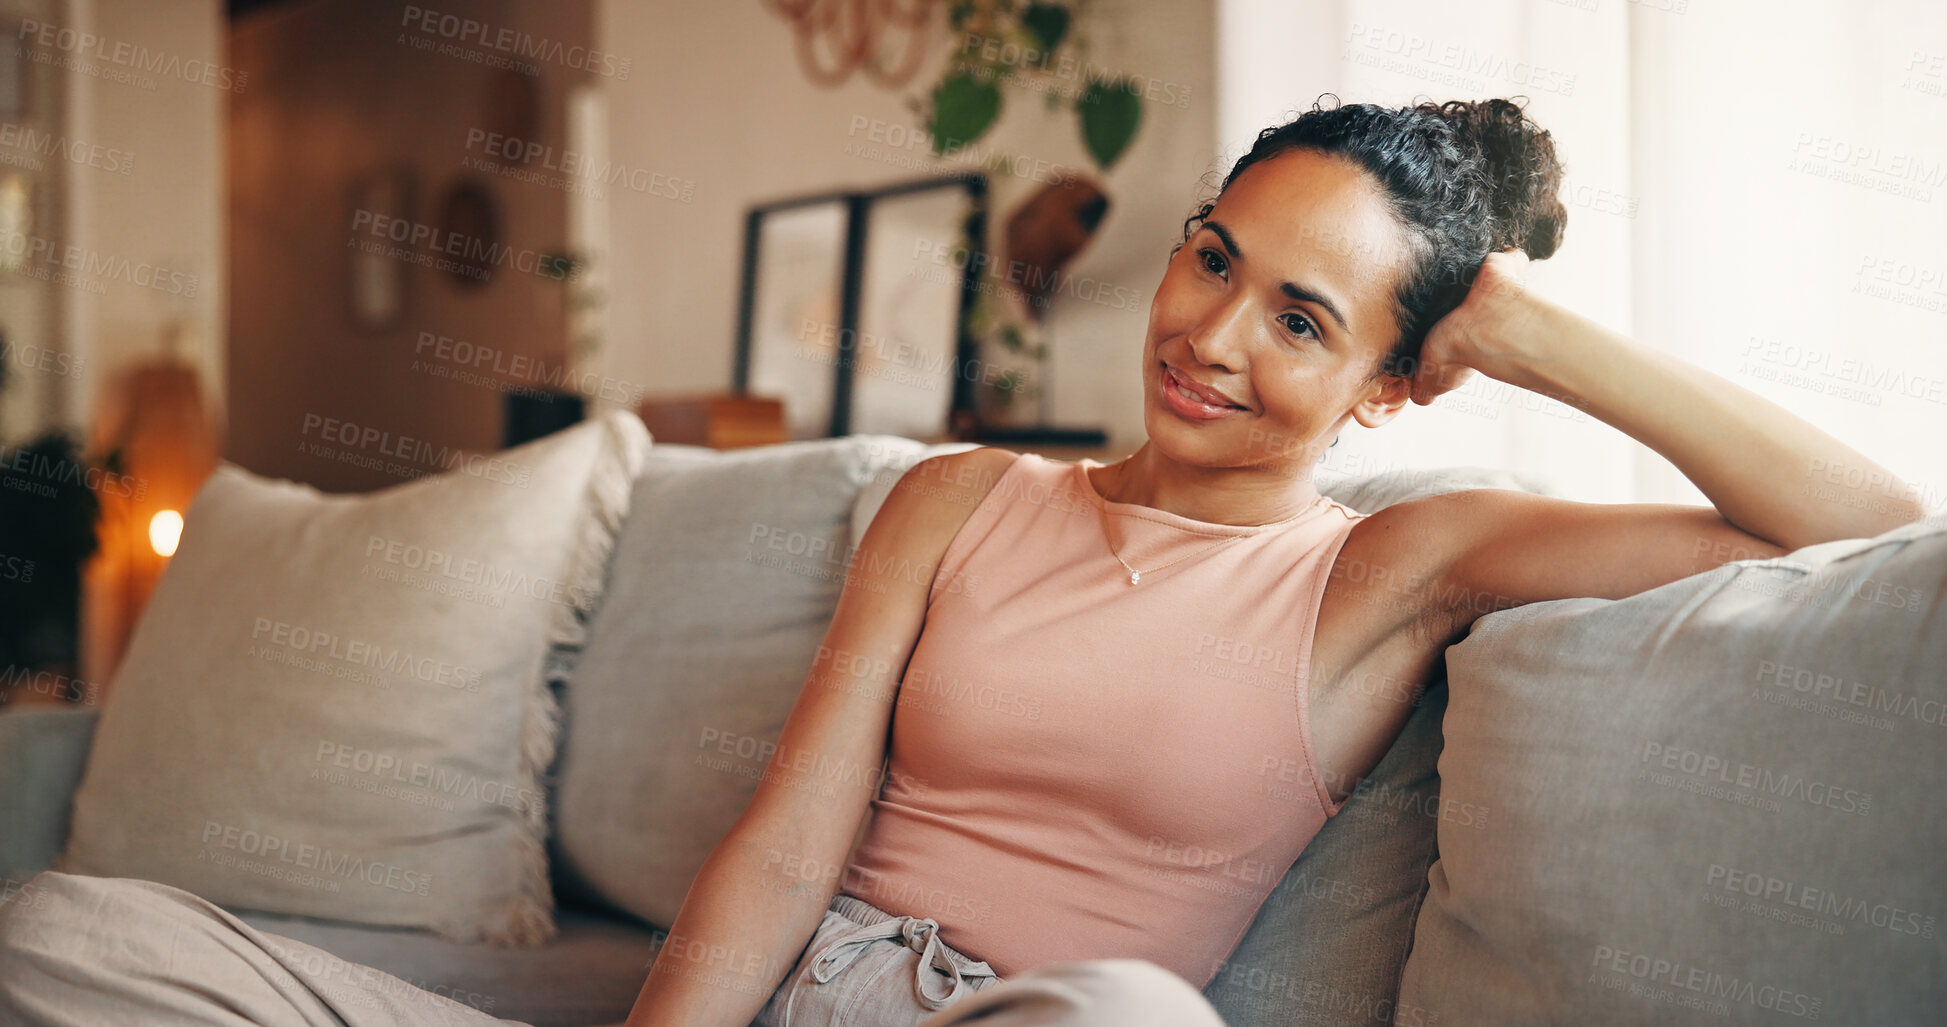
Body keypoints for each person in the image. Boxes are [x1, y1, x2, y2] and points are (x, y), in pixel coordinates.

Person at [0, 96, 1926, 1027]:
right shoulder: (959, 495)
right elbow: (785, 834)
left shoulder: (1402, 564)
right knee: (73, 937)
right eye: (1210, 255)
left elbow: (1875, 534)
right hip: (785, 997)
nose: (1211, 335)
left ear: (1398, 384)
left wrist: (1519, 330)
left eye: (1307, 325)